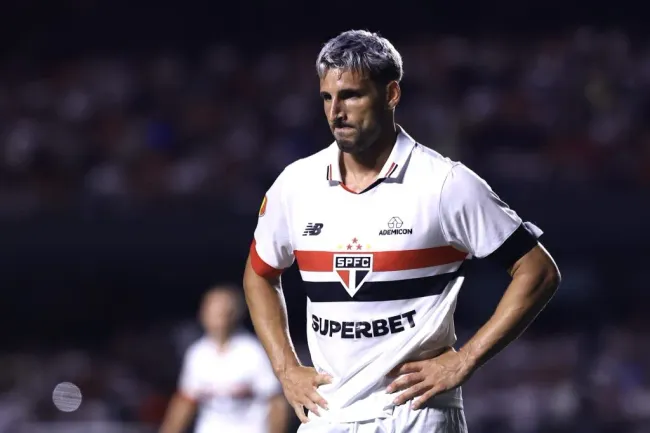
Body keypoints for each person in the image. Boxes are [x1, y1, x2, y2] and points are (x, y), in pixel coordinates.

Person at [242, 30, 561, 433]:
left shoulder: (445, 184)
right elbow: (259, 273)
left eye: (352, 95)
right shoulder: (295, 184)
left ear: (391, 94)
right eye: (327, 97)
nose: (336, 112)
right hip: (328, 416)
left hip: (416, 416)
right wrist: (286, 368)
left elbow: (539, 271)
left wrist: (465, 359)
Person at [158, 284, 289, 433]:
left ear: (236, 313)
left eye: (224, 309)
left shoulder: (254, 352)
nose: (219, 314)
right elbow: (186, 401)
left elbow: (276, 402)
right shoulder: (197, 353)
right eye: (213, 309)